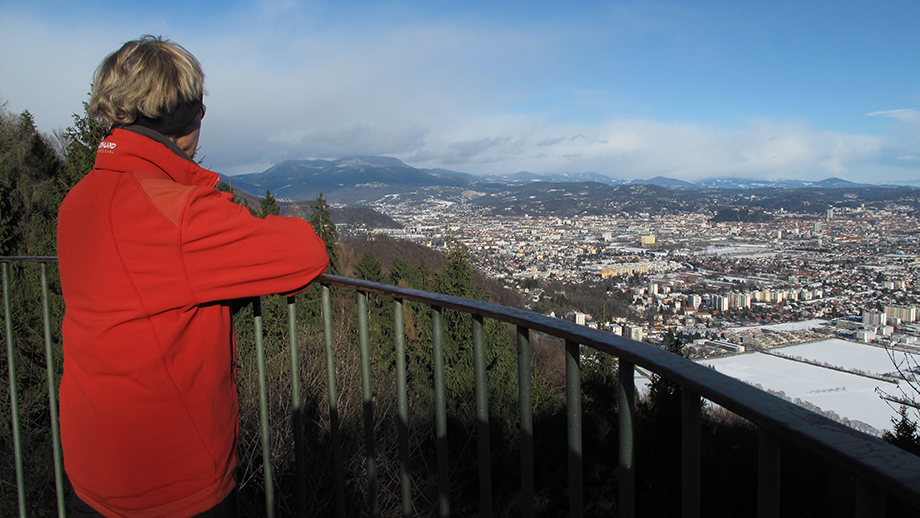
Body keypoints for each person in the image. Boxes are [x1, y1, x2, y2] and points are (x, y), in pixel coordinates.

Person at [56, 35, 329, 517]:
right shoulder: (175, 214)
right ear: (187, 121)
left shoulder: (78, 201)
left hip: (91, 462)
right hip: (168, 482)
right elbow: (306, 252)